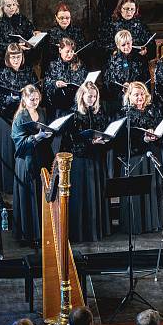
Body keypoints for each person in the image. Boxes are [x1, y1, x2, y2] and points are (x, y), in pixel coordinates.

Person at [62, 82, 110, 242]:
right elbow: (70, 142)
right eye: (89, 96)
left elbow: (105, 132)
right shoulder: (73, 115)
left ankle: (97, 230)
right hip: (80, 161)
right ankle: (81, 232)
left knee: (96, 193)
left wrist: (104, 139)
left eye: (95, 96)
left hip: (96, 159)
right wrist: (90, 143)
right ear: (81, 96)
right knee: (83, 196)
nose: (92, 99)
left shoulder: (99, 112)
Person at [116, 82, 163, 234]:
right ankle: (136, 224)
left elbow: (162, 134)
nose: (140, 97)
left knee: (152, 187)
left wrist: (156, 136)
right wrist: (143, 139)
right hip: (135, 158)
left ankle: (153, 223)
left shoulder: (153, 111)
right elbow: (121, 141)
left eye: (142, 94)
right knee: (137, 190)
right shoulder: (124, 114)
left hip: (152, 155)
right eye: (136, 94)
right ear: (129, 96)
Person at [11, 84, 54, 245]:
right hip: (27, 160)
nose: (35, 101)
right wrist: (35, 138)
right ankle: (30, 235)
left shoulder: (42, 112)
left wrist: (49, 133)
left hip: (42, 158)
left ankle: (44, 231)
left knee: (42, 193)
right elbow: (19, 144)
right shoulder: (20, 117)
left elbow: (47, 134)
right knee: (30, 195)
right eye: (32, 99)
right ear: (24, 99)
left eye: (37, 98)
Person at [0, 44, 38, 195]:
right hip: (6, 116)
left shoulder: (29, 71)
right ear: (8, 58)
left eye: (18, 57)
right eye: (13, 57)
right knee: (7, 136)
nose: (16, 60)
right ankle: (8, 186)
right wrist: (15, 98)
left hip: (25, 115)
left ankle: (28, 181)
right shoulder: (1, 73)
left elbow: (36, 91)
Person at [0, 0, 36, 72]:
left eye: (14, 5)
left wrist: (34, 33)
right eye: (9, 6)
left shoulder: (21, 17)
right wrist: (16, 47)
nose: (12, 8)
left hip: (21, 54)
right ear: (2, 7)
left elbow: (29, 29)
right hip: (3, 58)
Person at [102, 29, 148, 114]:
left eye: (128, 43)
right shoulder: (112, 60)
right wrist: (122, 87)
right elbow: (108, 82)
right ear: (118, 45)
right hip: (118, 97)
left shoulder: (139, 58)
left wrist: (134, 87)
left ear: (132, 42)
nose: (126, 47)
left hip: (137, 96)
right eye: (123, 45)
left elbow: (145, 78)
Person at [44, 37, 88, 117]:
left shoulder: (79, 64)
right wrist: (56, 84)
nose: (70, 54)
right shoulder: (53, 65)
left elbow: (84, 80)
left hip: (76, 102)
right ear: (60, 50)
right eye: (67, 52)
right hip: (59, 104)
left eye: (72, 51)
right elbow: (46, 84)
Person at [44, 3, 86, 70]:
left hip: (75, 65)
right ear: (56, 18)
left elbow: (83, 50)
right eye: (61, 18)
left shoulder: (77, 31)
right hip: (57, 67)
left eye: (67, 18)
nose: (65, 20)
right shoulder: (50, 33)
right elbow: (47, 57)